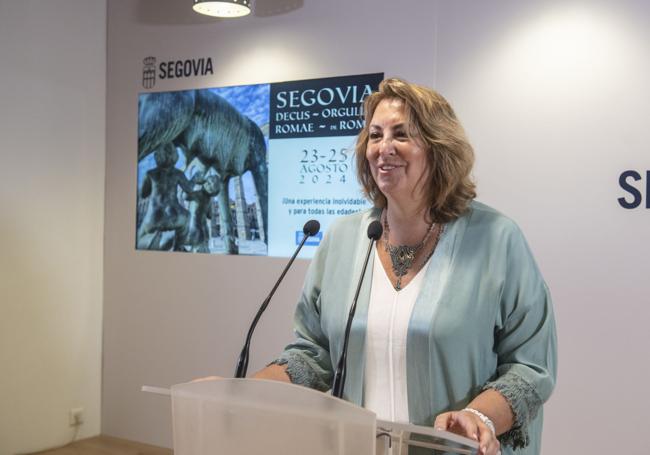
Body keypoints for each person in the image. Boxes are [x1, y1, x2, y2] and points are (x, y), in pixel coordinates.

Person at [254, 78, 557, 455]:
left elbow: (531, 367)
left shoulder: (497, 238)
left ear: (437, 147)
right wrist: (244, 393)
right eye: (375, 135)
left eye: (401, 135)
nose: (383, 148)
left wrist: (480, 417)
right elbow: (313, 353)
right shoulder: (343, 238)